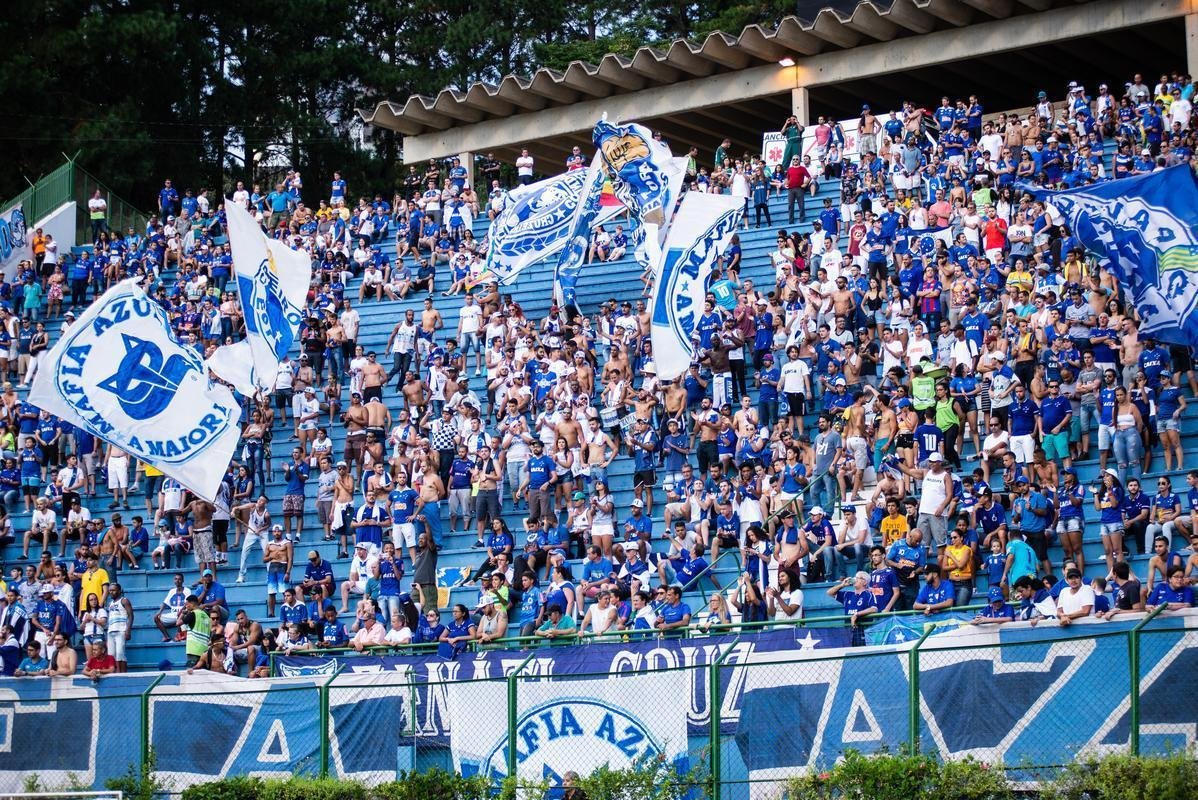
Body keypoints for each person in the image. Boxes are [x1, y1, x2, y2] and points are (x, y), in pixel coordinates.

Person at [826, 571, 877, 646]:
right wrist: (842, 585)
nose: (855, 579)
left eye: (858, 578)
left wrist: (857, 614)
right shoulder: (848, 594)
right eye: (855, 577)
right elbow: (829, 593)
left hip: (862, 632)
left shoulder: (869, 595)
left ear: (864, 582)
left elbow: (874, 609)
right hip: (847, 632)